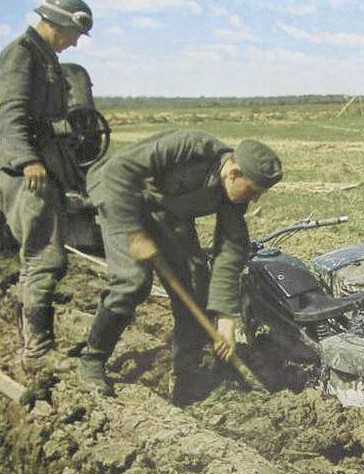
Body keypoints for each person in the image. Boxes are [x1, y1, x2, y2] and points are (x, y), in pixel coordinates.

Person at [79, 128, 282, 403]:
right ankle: (93, 359)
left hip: (166, 214)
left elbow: (229, 252)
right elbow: (120, 169)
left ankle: (186, 376)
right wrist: (135, 233)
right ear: (233, 173)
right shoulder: (192, 146)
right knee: (133, 282)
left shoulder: (234, 199)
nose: (255, 199)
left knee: (196, 286)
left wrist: (225, 318)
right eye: (253, 191)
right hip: (120, 196)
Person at [0, 0, 93, 359]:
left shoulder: (43, 57)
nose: (74, 43)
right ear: (57, 22)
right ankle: (37, 347)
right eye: (74, 34)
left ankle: (30, 334)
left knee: (39, 255)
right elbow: (10, 115)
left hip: (44, 167)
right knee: (44, 256)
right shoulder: (22, 54)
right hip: (28, 174)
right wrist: (27, 160)